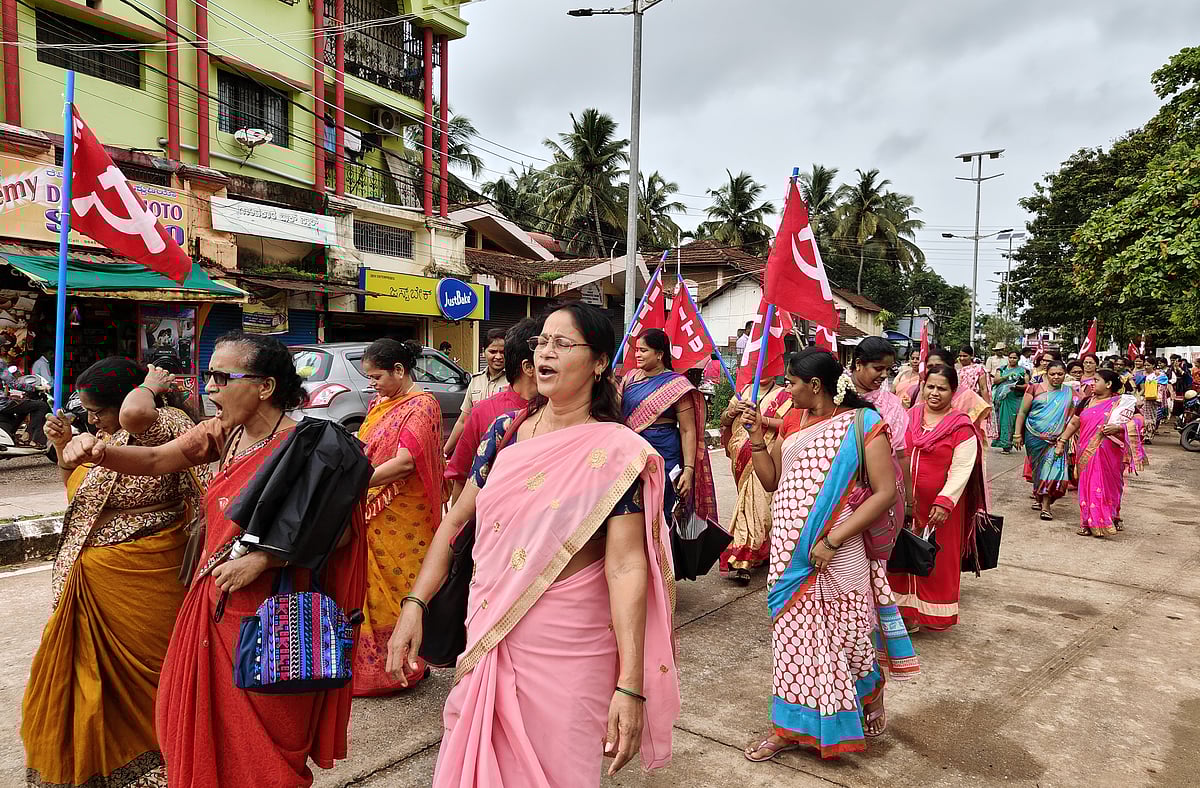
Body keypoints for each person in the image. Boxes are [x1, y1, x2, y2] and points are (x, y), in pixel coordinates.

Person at [386, 302, 679, 786]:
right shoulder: (505, 433)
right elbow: (455, 522)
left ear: (599, 362)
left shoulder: (616, 451)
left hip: (572, 646)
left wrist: (630, 684)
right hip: (491, 627)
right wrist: (414, 604)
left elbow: (627, 566)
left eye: (562, 343)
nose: (545, 352)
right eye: (542, 342)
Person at [60, 332, 367, 786]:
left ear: (264, 387)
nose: (209, 388)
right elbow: (155, 459)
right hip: (215, 600)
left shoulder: (312, 446)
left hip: (274, 616)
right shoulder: (226, 432)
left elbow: (340, 534)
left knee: (270, 732)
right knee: (199, 719)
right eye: (209, 376)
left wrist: (265, 560)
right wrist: (101, 452)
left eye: (222, 377)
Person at [22, 360, 200, 788]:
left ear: (126, 400)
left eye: (98, 410)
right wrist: (64, 447)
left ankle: (171, 762)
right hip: (93, 582)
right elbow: (80, 490)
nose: (92, 419)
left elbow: (140, 421)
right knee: (87, 685)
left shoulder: (164, 424)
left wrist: (149, 386)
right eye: (86, 411)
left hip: (146, 578)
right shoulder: (106, 435)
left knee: (158, 680)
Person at [741, 348, 917, 762]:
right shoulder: (793, 420)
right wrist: (756, 437)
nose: (787, 390)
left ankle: (869, 691)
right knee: (793, 641)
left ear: (816, 385)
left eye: (791, 383)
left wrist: (833, 539)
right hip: (790, 553)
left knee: (849, 637)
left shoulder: (864, 423)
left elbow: (884, 493)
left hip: (839, 551)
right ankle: (788, 729)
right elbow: (772, 481)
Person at [351, 338, 446, 696]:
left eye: (376, 377)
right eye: (369, 377)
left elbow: (406, 462)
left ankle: (404, 665)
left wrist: (356, 482)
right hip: (373, 508)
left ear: (399, 370)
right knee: (369, 590)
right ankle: (370, 670)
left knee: (399, 586)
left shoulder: (422, 405)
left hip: (404, 514)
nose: (372, 384)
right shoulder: (380, 403)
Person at [889, 364, 987, 634]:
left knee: (934, 560)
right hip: (903, 504)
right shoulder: (908, 417)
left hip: (940, 510)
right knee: (899, 558)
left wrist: (945, 502)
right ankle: (901, 614)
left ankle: (926, 614)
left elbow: (962, 468)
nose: (934, 392)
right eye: (930, 386)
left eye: (941, 388)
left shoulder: (961, 427)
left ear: (953, 391)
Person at [619, 327, 723, 580]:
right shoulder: (629, 378)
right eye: (636, 350)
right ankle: (634, 572)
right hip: (631, 453)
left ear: (659, 354)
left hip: (664, 454)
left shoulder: (677, 386)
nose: (637, 355)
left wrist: (688, 470)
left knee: (660, 513)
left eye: (643, 350)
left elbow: (688, 430)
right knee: (630, 513)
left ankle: (660, 574)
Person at [445, 318, 542, 501]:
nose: (497, 356)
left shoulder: (563, 413)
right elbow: (462, 478)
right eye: (492, 351)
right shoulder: (482, 407)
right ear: (528, 367)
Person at [717, 370, 793, 584]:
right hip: (740, 455)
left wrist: (762, 420)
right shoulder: (743, 391)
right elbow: (724, 419)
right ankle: (759, 550)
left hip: (765, 455)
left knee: (757, 507)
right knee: (746, 503)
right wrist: (734, 411)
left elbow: (788, 424)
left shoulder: (784, 395)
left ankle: (743, 560)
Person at [1058, 369, 1137, 538]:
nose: (1092, 383)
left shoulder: (1121, 403)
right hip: (1086, 451)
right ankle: (1087, 522)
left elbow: (1138, 421)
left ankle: (1112, 516)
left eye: (1096, 380)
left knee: (1110, 486)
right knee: (1088, 485)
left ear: (1108, 384)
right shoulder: (1086, 401)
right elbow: (1074, 423)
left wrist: (1119, 427)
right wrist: (1062, 441)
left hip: (1110, 452)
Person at [1013, 359, 1074, 520]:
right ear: (1046, 374)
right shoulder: (1034, 388)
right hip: (1034, 436)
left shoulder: (1070, 392)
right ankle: (1039, 495)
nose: (1056, 377)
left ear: (1065, 375)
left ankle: (1046, 506)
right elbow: (1022, 412)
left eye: (1060, 374)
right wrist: (1017, 434)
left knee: (1051, 470)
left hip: (1058, 439)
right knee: (1038, 469)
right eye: (1052, 374)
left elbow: (1077, 414)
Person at [443, 329, 507, 457]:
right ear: (483, 352)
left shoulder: (516, 380)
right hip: (478, 452)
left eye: (503, 352)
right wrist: (444, 452)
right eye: (493, 352)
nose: (498, 357)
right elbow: (463, 421)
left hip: (504, 452)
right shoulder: (476, 380)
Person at [991, 350, 1028, 453]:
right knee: (1004, 421)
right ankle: (1005, 444)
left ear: (1018, 359)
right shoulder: (1002, 369)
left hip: (1016, 398)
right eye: (1010, 357)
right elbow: (996, 380)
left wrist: (1016, 387)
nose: (1012, 360)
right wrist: (1007, 376)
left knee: (1015, 421)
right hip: (1003, 399)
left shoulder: (1023, 370)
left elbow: (1027, 385)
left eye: (1014, 358)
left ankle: (1014, 441)